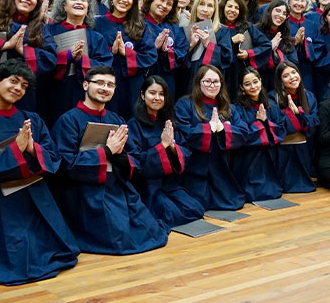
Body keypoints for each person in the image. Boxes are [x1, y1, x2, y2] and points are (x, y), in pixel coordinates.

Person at [0, 60, 79, 285]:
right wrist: (14, 150)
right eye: (13, 81)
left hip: (31, 196)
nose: (18, 89)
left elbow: (54, 158)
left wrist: (31, 147)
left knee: (47, 250)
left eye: (24, 86)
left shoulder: (32, 119)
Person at [48, 66, 169, 254]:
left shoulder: (117, 119)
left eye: (111, 85)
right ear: (86, 85)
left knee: (151, 230)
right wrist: (106, 151)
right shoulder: (68, 120)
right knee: (118, 238)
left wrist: (119, 155)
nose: (105, 88)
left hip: (116, 185)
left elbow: (134, 160)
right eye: (100, 83)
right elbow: (65, 165)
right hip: (84, 190)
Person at [127, 76, 204, 228]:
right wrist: (162, 145)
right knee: (169, 214)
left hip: (170, 184)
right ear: (143, 95)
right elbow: (136, 164)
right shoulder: (133, 125)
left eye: (161, 94)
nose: (157, 98)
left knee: (196, 210)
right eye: (152, 93)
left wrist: (172, 147)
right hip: (148, 186)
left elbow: (185, 153)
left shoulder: (168, 123)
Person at [174, 66, 247, 211]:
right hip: (195, 169)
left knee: (234, 203)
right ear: (198, 83)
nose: (212, 85)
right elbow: (182, 133)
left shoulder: (229, 108)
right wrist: (208, 129)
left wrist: (222, 129)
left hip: (222, 169)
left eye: (216, 81)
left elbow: (243, 132)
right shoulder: (185, 104)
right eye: (207, 81)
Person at [41, 0, 113, 126]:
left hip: (83, 92)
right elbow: (41, 58)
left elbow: (104, 66)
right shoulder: (48, 30)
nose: (79, 2)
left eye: (83, 0)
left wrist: (82, 60)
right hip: (53, 91)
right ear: (64, 6)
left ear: (88, 8)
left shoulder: (96, 37)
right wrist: (68, 56)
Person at [0, 0, 55, 111]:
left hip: (24, 93)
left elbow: (50, 59)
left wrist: (22, 50)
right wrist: (5, 45)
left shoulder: (40, 28)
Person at [96, 0, 157, 115]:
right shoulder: (97, 22)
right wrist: (109, 52)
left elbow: (150, 55)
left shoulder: (141, 26)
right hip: (103, 82)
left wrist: (127, 53)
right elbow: (90, 53)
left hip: (131, 84)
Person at [230, 68, 285, 201]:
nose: (253, 86)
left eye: (255, 82)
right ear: (241, 87)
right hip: (247, 157)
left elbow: (281, 130)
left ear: (261, 81)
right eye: (247, 84)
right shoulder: (236, 108)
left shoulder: (271, 105)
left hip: (269, 154)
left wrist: (266, 122)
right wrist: (260, 124)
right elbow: (241, 135)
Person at [273, 61, 320, 193]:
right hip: (283, 150)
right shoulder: (273, 98)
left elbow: (314, 123)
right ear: (281, 81)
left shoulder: (309, 96)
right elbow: (280, 125)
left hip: (304, 147)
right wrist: (297, 118)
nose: (292, 77)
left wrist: (299, 114)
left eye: (294, 72)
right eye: (286, 75)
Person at [214, 0, 272, 98]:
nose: (232, 10)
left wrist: (248, 54)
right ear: (223, 8)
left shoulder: (247, 27)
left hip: (239, 73)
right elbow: (210, 50)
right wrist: (231, 41)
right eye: (229, 6)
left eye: (237, 8)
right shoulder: (216, 27)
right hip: (220, 72)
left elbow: (266, 45)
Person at [143, 0, 189, 94]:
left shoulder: (175, 28)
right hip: (143, 76)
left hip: (167, 78)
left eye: (169, 4)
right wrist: (153, 47)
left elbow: (183, 52)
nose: (164, 6)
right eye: (161, 0)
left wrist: (167, 52)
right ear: (151, 0)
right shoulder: (137, 23)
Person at [283, 0, 318, 97]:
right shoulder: (282, 22)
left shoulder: (311, 25)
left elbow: (319, 47)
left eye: (302, 1)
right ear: (289, 2)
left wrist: (305, 44)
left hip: (307, 71)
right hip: (286, 69)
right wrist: (294, 42)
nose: (299, 3)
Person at [255, 0, 291, 91]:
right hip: (258, 79)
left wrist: (275, 53)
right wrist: (268, 48)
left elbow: (292, 61)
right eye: (278, 11)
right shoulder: (255, 31)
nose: (281, 15)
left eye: (284, 13)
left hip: (277, 82)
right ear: (269, 11)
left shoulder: (285, 36)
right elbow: (249, 57)